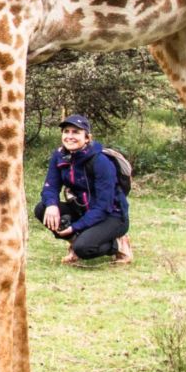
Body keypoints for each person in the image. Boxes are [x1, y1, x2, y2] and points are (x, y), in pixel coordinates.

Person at [35, 114, 132, 266]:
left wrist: (75, 227)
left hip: (111, 216)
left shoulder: (101, 161)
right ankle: (76, 241)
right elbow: (50, 187)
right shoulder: (60, 156)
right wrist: (52, 204)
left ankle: (118, 244)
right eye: (66, 131)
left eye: (76, 132)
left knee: (84, 248)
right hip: (83, 209)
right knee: (42, 209)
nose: (70, 136)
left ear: (87, 138)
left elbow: (104, 206)